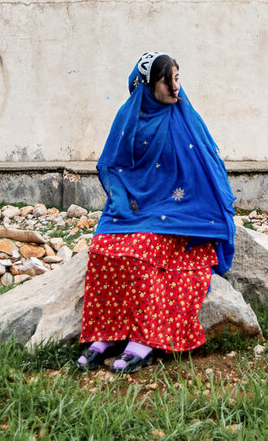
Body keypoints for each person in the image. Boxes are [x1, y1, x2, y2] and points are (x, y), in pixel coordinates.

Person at [76, 52, 236, 373]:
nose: (176, 88)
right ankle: (108, 332)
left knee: (142, 252)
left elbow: (205, 168)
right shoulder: (129, 117)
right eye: (167, 81)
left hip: (179, 212)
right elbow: (113, 166)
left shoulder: (184, 119)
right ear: (148, 86)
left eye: (177, 79)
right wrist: (122, 203)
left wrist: (186, 208)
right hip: (136, 208)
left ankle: (145, 339)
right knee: (103, 248)